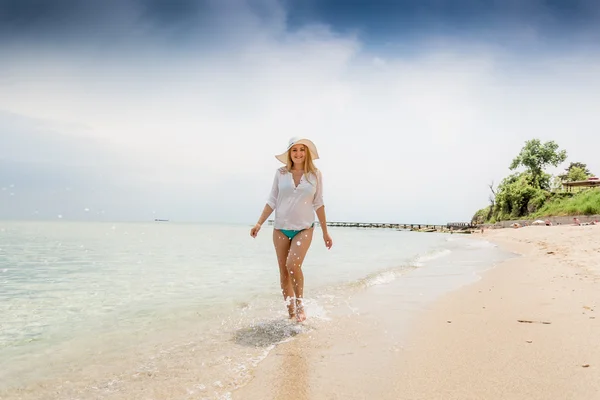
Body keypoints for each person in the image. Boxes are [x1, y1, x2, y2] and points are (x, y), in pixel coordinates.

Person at [250, 137, 333, 322]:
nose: (298, 154)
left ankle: (300, 305)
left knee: (292, 265)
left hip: (304, 228)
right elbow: (272, 200)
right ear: (289, 153)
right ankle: (291, 314)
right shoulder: (280, 173)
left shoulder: (315, 174)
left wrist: (326, 232)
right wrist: (259, 223)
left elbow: (318, 203)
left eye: (302, 150)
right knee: (284, 271)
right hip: (280, 228)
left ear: (307, 153)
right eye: (294, 150)